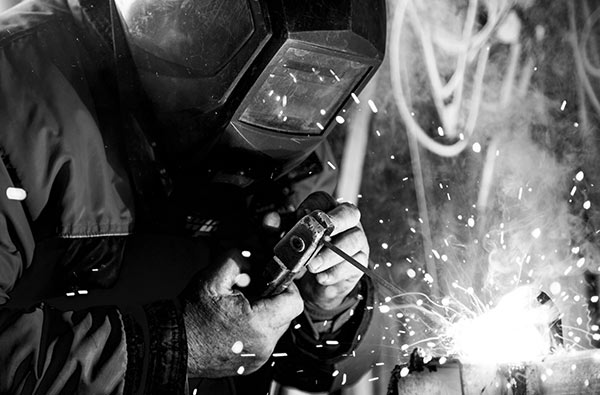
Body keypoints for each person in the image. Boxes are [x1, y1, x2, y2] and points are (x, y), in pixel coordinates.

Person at [0, 0, 387, 394]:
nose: (281, 100)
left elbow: (316, 371)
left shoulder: (293, 127)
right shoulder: (15, 94)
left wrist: (326, 306)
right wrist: (176, 347)